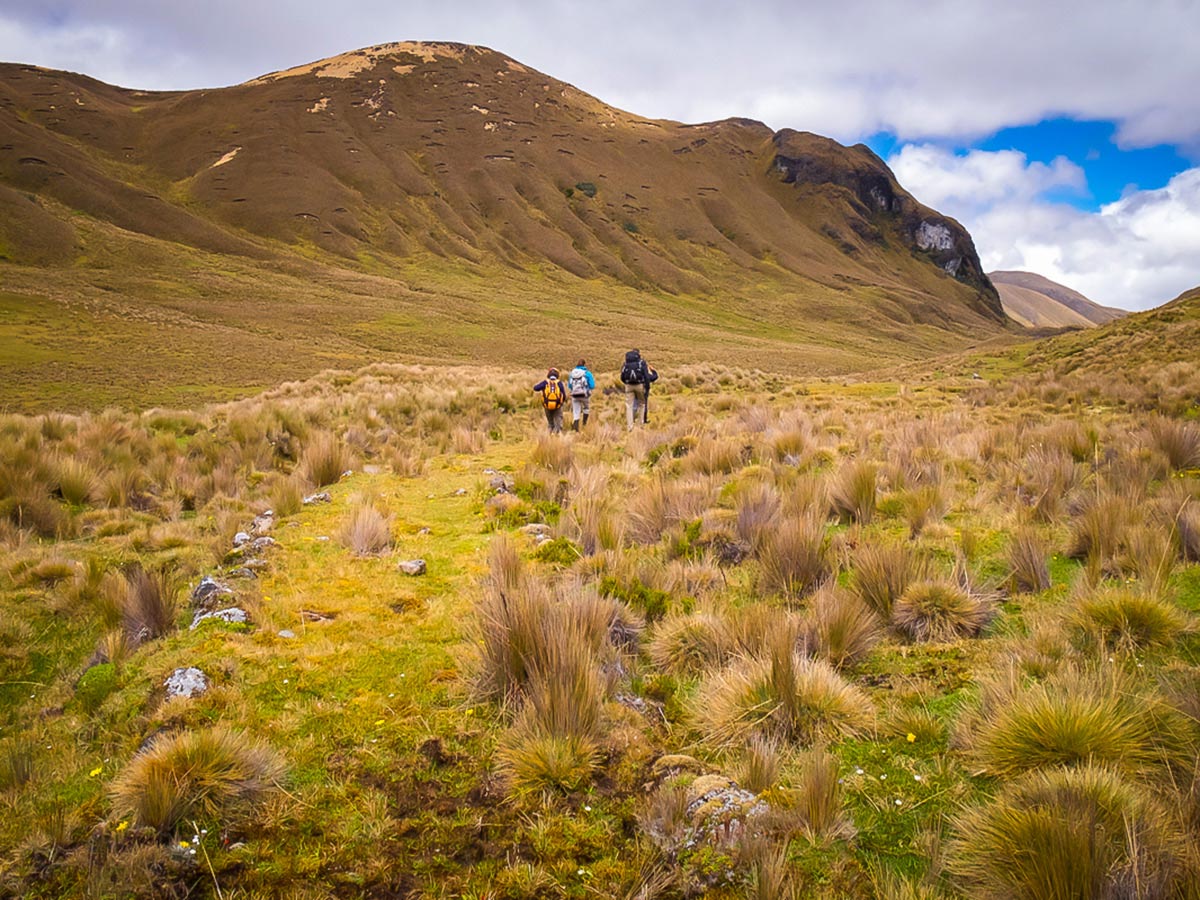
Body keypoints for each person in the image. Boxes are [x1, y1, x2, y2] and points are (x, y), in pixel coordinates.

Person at [619, 349, 658, 430]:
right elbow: (647, 377)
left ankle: (630, 427)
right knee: (642, 404)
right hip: (639, 385)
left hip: (628, 385)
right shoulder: (641, 363)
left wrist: (626, 383)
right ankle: (640, 425)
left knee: (629, 406)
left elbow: (622, 377)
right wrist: (646, 387)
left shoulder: (626, 364)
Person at [532, 368, 566, 433]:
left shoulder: (545, 382)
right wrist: (561, 403)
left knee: (550, 423)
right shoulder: (559, 383)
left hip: (547, 405)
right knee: (558, 422)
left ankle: (549, 436)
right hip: (557, 405)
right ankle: (557, 437)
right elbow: (563, 395)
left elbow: (535, 388)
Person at [566, 359, 595, 431]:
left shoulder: (572, 374)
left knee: (576, 411)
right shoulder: (587, 373)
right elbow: (592, 385)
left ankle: (576, 427)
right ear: (584, 365)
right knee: (586, 408)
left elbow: (569, 386)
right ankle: (584, 423)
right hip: (585, 395)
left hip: (574, 395)